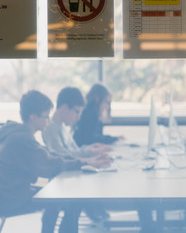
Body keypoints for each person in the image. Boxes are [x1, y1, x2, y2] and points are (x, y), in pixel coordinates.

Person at [0, 90, 86, 233]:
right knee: (70, 200)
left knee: (56, 196)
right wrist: (83, 162)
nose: (49, 120)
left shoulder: (16, 133)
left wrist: (82, 160)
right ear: (33, 117)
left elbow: (48, 155)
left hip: (10, 192)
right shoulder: (22, 139)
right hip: (10, 198)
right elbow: (49, 165)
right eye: (46, 116)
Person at [42, 87, 113, 224]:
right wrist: (90, 155)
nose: (79, 117)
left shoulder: (62, 127)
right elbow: (62, 155)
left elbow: (74, 150)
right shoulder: (51, 129)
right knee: (80, 200)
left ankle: (95, 213)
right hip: (61, 182)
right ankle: (96, 213)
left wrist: (91, 149)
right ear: (64, 107)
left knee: (84, 195)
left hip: (68, 177)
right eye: (77, 112)